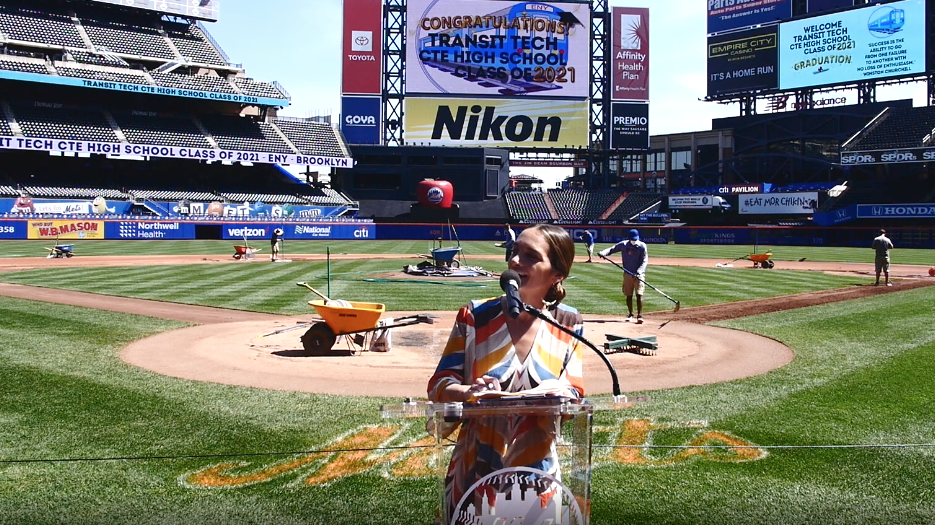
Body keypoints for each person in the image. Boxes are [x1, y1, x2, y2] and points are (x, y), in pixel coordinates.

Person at [427, 224, 585, 522]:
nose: (514, 261)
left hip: (537, 477)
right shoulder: (475, 316)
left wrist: (563, 395)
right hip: (475, 473)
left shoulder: (569, 322)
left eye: (530, 256)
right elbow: (440, 384)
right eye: (515, 252)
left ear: (557, 274)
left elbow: (575, 392)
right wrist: (468, 392)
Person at [599, 229, 648, 324]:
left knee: (639, 294)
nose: (634, 241)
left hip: (639, 275)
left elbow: (644, 260)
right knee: (628, 294)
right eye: (632, 239)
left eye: (635, 239)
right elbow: (612, 249)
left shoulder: (642, 246)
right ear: (629, 238)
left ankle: (640, 315)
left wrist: (639, 271)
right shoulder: (624, 245)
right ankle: (630, 314)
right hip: (627, 273)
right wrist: (603, 253)